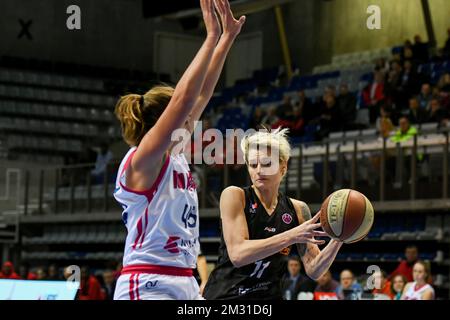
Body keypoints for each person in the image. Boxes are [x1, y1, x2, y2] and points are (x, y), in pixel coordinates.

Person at [112, 0, 246, 300]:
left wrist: (226, 39)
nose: (191, 122)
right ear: (162, 122)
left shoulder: (177, 152)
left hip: (184, 279)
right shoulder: (142, 159)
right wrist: (211, 36)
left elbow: (203, 92)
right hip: (147, 281)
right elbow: (184, 100)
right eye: (183, 119)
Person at [203, 128, 343, 300]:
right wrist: (291, 235)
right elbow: (238, 254)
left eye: (267, 163)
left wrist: (339, 238)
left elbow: (314, 270)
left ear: (283, 167)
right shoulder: (234, 195)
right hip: (227, 296)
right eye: (253, 165)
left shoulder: (298, 209)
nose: (259, 170)